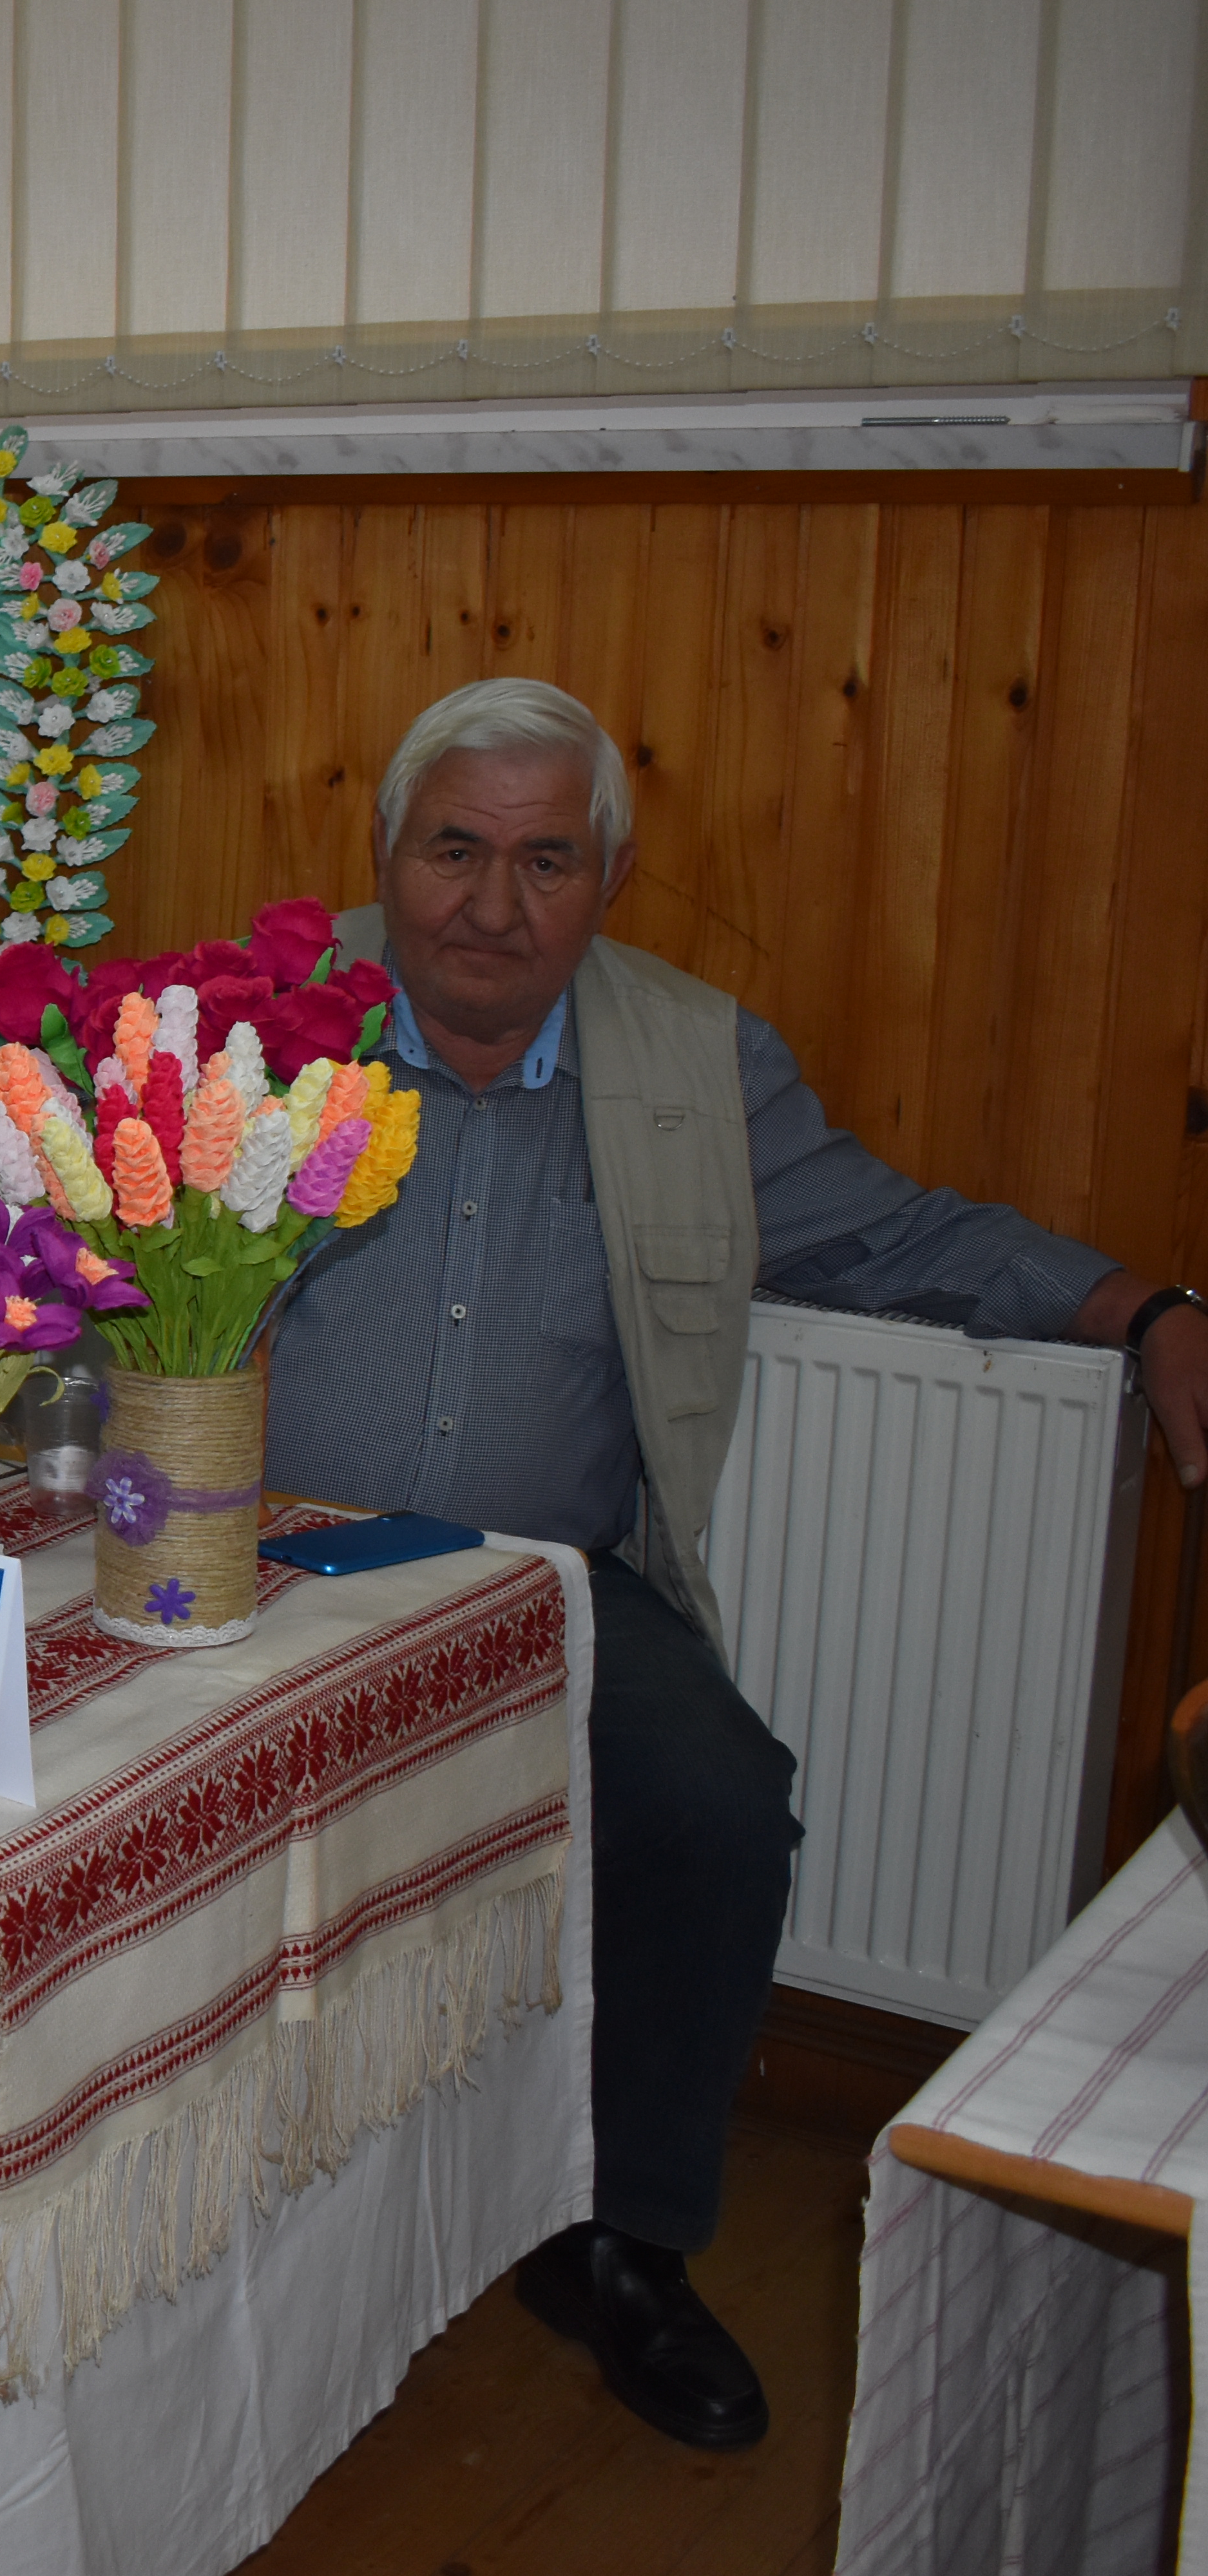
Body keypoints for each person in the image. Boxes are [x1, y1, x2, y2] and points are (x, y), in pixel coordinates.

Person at [266, 676, 1208, 2450]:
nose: (492, 903)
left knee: (719, 1803)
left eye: (548, 860)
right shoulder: (253, 1012)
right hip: (250, 1564)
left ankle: (625, 2246)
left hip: (538, 1583)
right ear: (383, 857)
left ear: (610, 878)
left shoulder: (696, 1058)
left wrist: (1144, 1307)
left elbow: (893, 1231)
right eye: (453, 849)